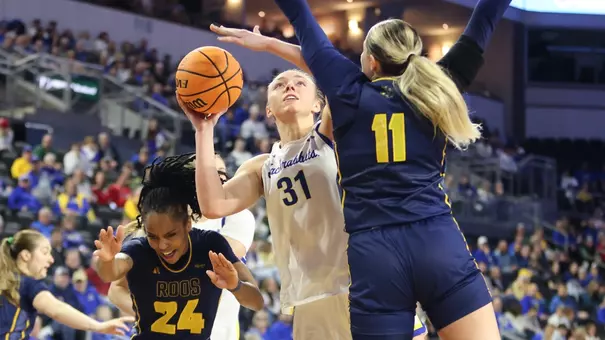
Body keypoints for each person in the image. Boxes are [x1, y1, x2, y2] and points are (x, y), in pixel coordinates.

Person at [267, 0, 512, 338]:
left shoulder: (347, 90)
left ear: (370, 61)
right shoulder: (437, 86)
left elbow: (301, 18)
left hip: (375, 255)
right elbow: (486, 18)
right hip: (436, 239)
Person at [93, 153, 264, 339]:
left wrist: (235, 285)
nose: (163, 244)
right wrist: (150, 314)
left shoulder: (224, 229)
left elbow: (255, 298)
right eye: (210, 173)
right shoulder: (148, 238)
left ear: (187, 225)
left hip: (221, 332)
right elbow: (113, 281)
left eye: (221, 174)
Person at [0, 229, 133, 338]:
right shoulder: (26, 283)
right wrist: (99, 326)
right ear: (26, 256)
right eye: (45, 252)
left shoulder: (9, 281)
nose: (51, 259)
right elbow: (56, 310)